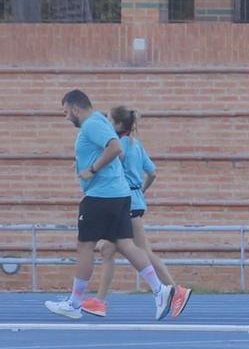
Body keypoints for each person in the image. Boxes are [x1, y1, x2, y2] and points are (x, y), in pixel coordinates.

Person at [46, 90, 187, 322]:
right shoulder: (98, 122)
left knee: (84, 246)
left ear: (74, 108)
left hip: (102, 196)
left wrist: (91, 170)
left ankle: (74, 303)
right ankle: (160, 291)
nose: (65, 117)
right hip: (117, 195)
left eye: (65, 112)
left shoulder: (92, 124)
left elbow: (115, 148)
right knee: (126, 244)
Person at [84, 107, 186, 318]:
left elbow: (110, 167)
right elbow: (152, 172)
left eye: (109, 120)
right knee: (108, 250)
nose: (106, 124)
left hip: (125, 202)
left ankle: (176, 291)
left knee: (142, 251)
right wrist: (141, 190)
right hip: (134, 199)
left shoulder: (118, 146)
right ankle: (100, 301)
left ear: (118, 125)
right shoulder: (135, 144)